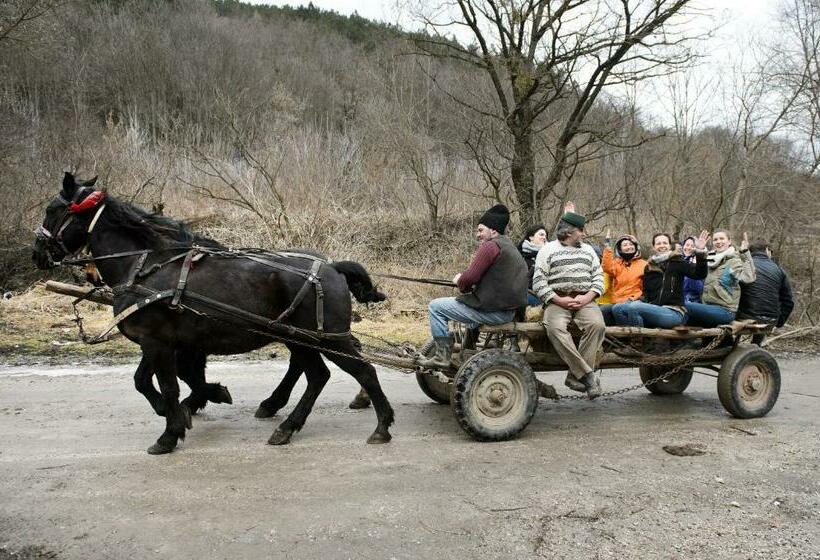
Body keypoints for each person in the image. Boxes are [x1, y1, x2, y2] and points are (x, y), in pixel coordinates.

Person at [417, 204, 528, 369]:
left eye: (481, 230)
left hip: (494, 313)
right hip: (508, 311)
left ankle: (441, 356)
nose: (478, 234)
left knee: (435, 307)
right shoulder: (509, 247)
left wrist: (459, 281)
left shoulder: (490, 246)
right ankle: (467, 351)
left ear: (494, 231)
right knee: (467, 308)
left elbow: (469, 279)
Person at [532, 206, 604, 398]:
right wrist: (559, 300)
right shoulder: (548, 250)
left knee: (597, 325)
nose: (583, 233)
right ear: (571, 231)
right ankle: (587, 375)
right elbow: (538, 282)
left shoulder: (588, 251)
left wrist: (587, 297)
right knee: (554, 328)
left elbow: (598, 280)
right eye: (581, 230)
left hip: (585, 300)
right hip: (557, 300)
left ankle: (574, 376)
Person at [612, 231, 709, 328]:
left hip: (673, 312)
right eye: (658, 243)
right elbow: (646, 293)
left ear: (670, 246)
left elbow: (699, 274)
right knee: (618, 308)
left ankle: (639, 339)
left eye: (665, 243)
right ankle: (631, 338)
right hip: (653, 308)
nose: (662, 245)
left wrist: (700, 253)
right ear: (654, 247)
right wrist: (636, 300)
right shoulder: (649, 267)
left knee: (634, 307)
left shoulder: (678, 262)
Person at [685, 230, 756, 327]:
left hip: (725, 310)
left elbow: (749, 278)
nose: (718, 242)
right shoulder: (708, 260)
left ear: (729, 241)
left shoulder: (734, 261)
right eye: (715, 240)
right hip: (706, 307)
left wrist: (744, 253)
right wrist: (700, 251)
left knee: (684, 306)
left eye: (722, 239)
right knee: (682, 317)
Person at [737, 238, 795, 344]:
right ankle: (756, 346)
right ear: (767, 250)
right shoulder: (779, 270)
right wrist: (779, 322)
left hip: (743, 316)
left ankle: (729, 346)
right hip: (770, 319)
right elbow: (788, 301)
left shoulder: (742, 265)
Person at [599, 230, 647, 325]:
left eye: (631, 244)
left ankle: (629, 335)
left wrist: (638, 298)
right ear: (620, 249)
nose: (629, 247)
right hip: (618, 300)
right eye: (625, 245)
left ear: (636, 246)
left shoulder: (644, 264)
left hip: (635, 299)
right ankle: (615, 336)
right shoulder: (617, 264)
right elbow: (606, 267)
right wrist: (608, 246)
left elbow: (648, 287)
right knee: (603, 310)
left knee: (618, 309)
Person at [517, 224, 547, 307]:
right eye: (541, 234)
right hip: (523, 293)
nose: (544, 237)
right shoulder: (519, 255)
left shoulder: (549, 255)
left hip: (543, 295)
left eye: (545, 235)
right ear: (531, 237)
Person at [681, 236, 705, 303]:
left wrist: (693, 265)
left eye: (692, 246)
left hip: (692, 302)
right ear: (683, 246)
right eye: (687, 245)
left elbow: (699, 289)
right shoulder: (677, 262)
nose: (689, 248)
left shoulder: (701, 264)